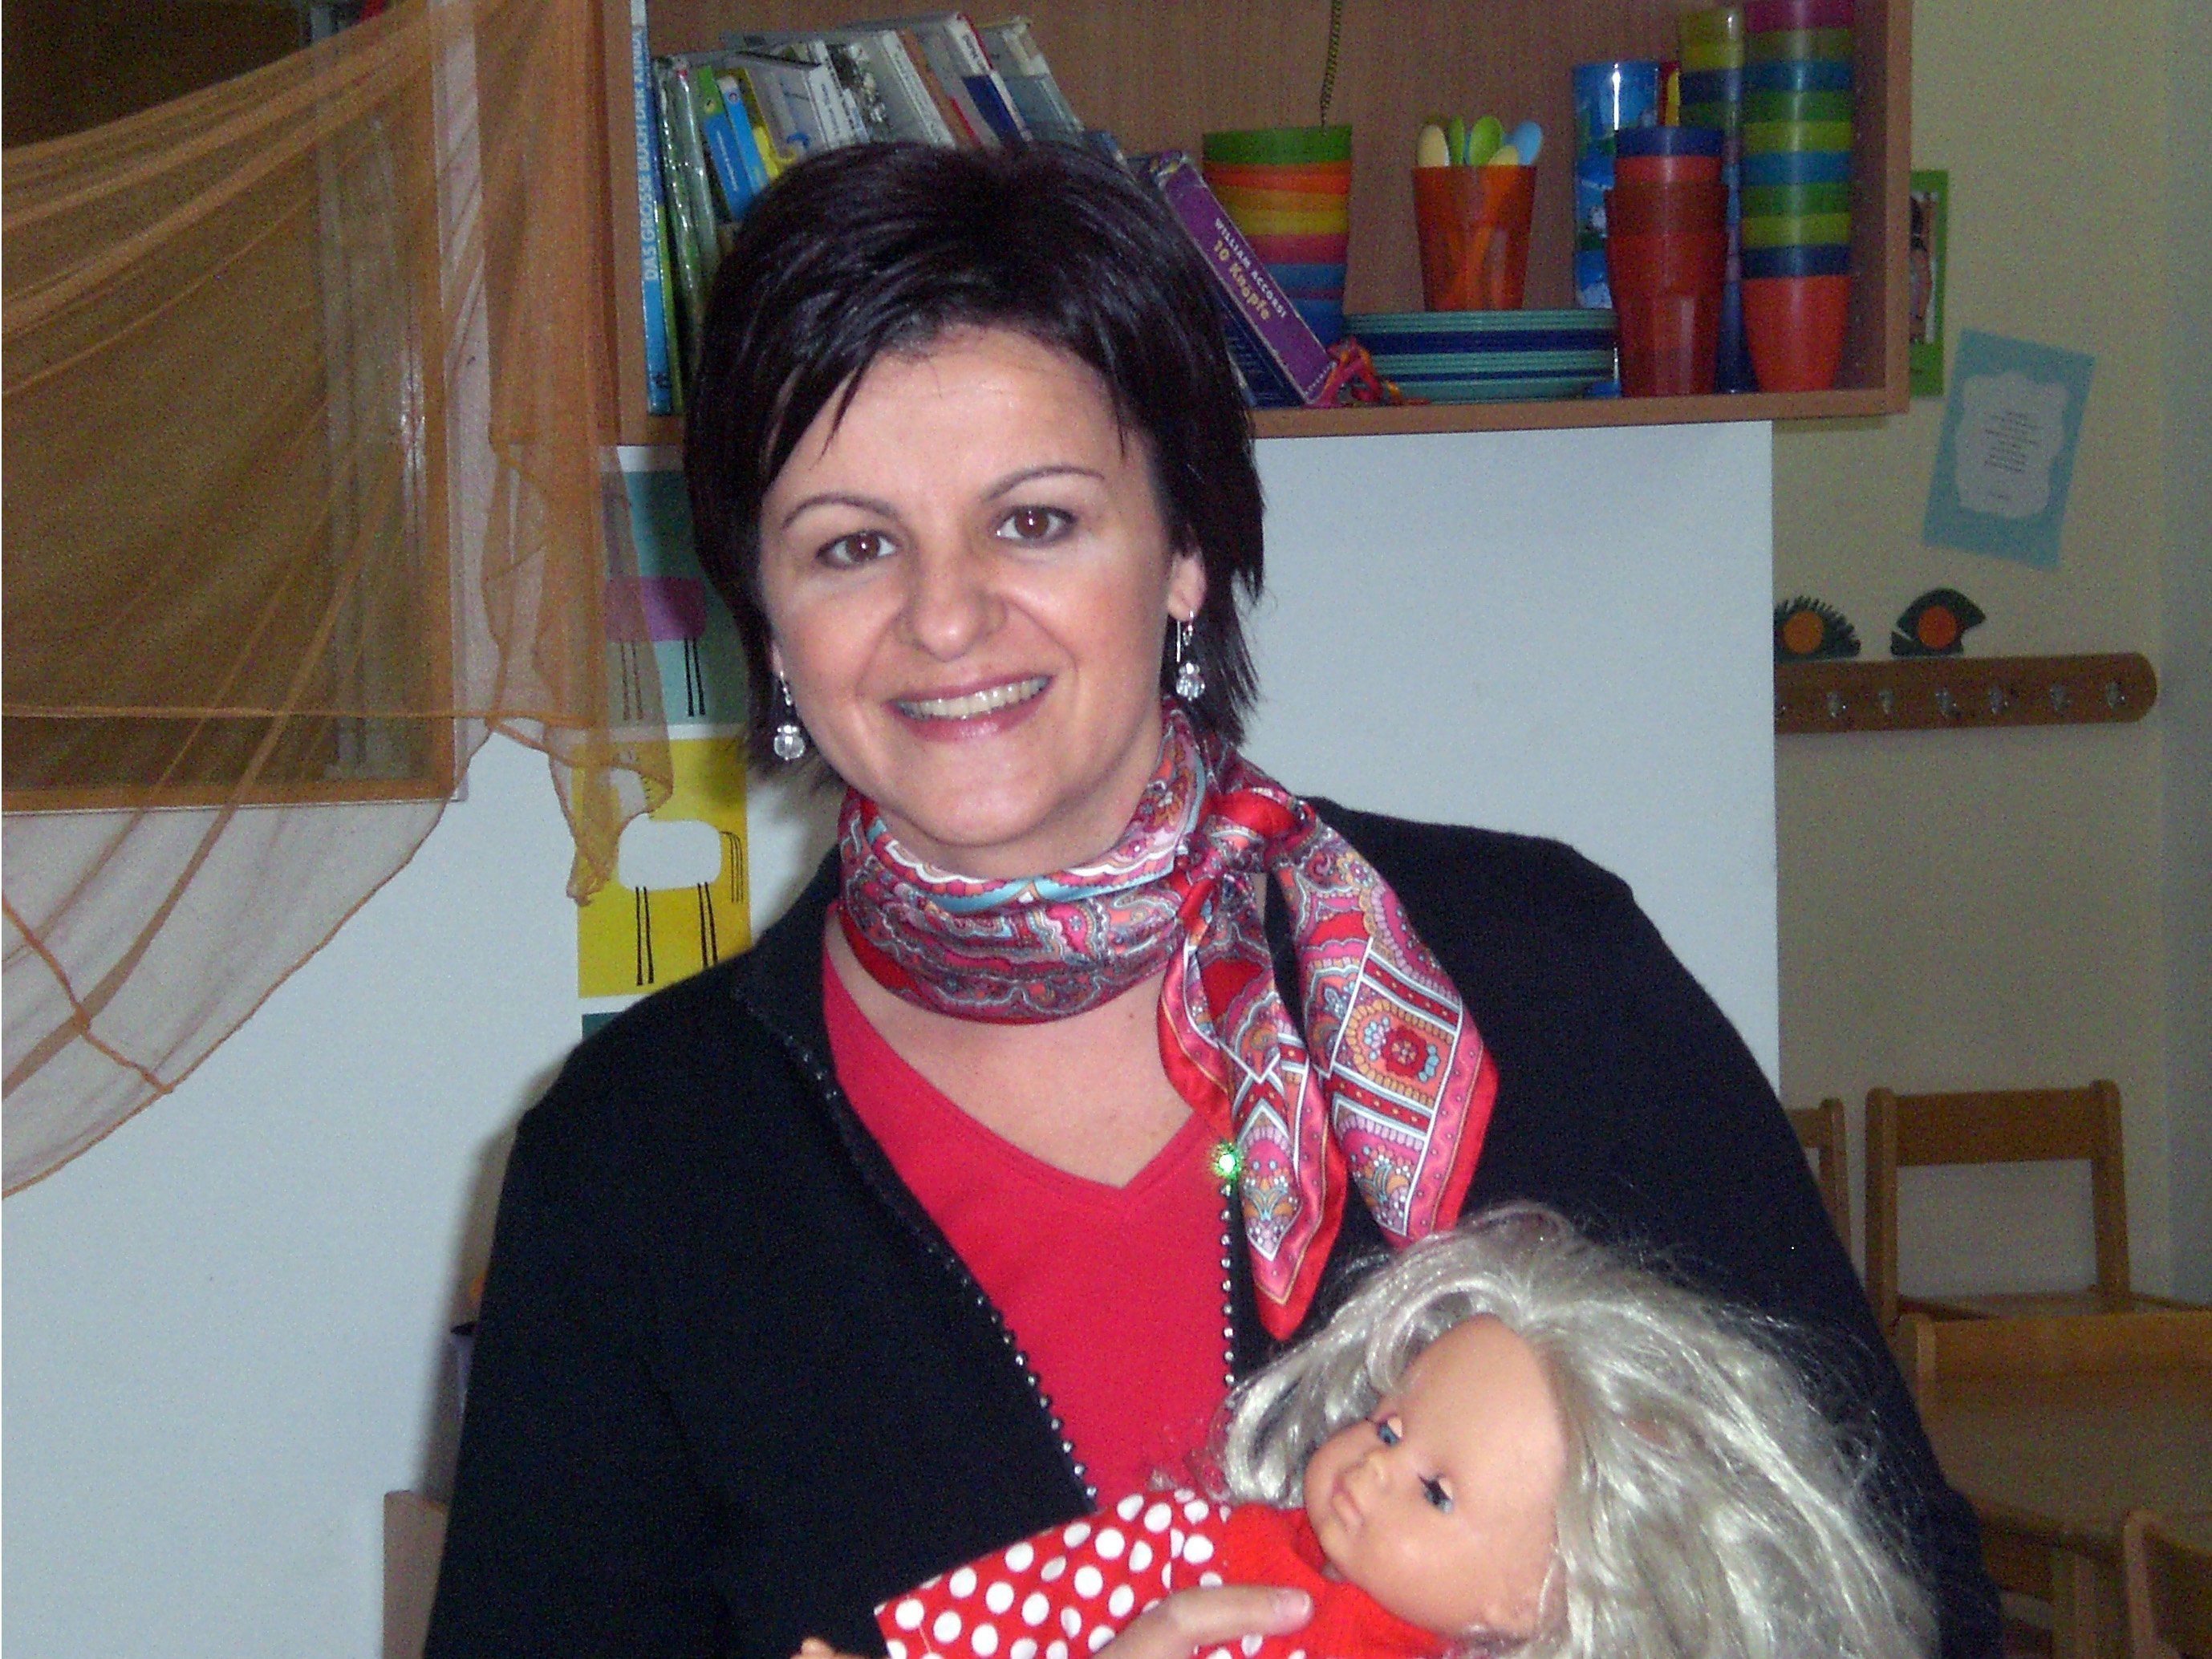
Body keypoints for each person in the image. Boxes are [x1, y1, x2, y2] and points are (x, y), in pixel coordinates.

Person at [424, 140, 1999, 1659]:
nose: (945, 615)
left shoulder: (1546, 975)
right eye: (850, 547)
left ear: (1181, 550)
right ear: (768, 620)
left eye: (1033, 520)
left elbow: (1896, 1596)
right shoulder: (634, 1164)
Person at [875, 1206, 1935, 1659]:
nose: (1373, 1473)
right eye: (1387, 1429)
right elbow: (1018, 1604)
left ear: (1534, 1598)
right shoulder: (1192, 1549)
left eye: (1436, 1493)